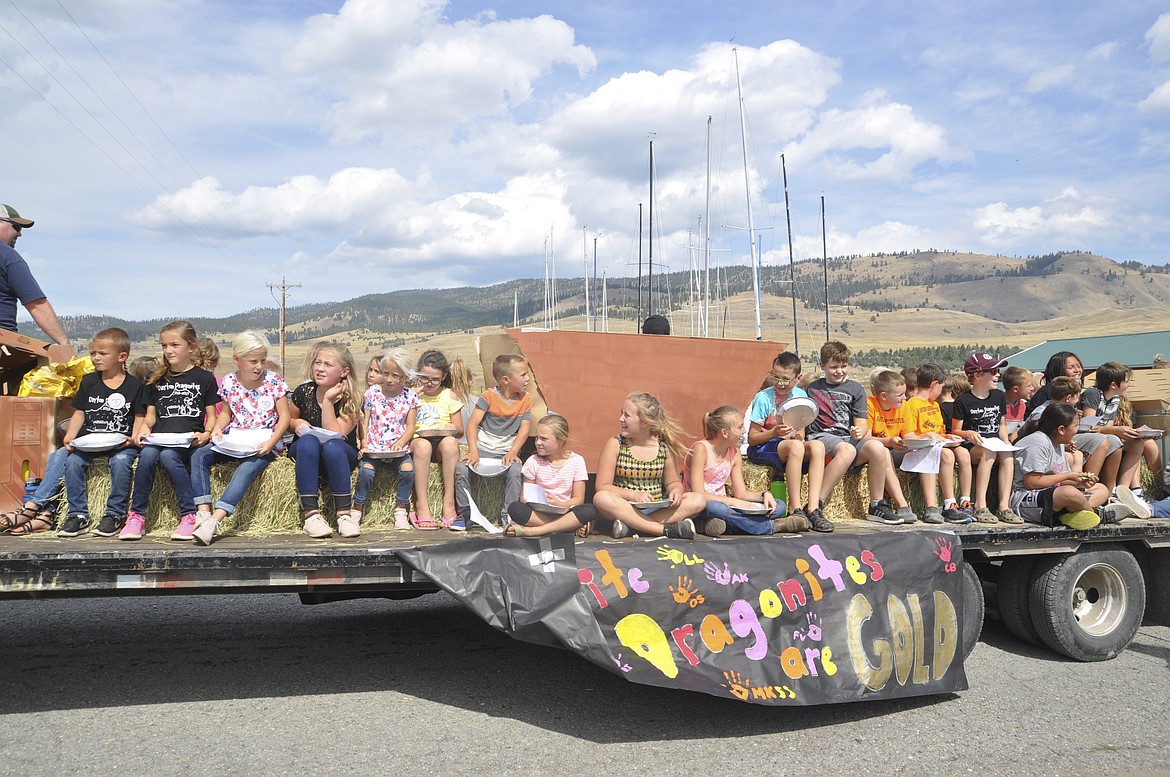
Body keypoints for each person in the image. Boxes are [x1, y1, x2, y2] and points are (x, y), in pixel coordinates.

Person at [3, 328, 146, 536]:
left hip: (120, 442)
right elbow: (80, 413)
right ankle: (77, 515)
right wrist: (70, 435)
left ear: (122, 357)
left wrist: (133, 438)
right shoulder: (89, 381)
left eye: (102, 353)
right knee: (70, 460)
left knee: (122, 461)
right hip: (90, 440)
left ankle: (114, 514)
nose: (95, 357)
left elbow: (140, 415)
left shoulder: (135, 386)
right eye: (93, 353)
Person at [190, 331, 290, 545]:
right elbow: (226, 413)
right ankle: (203, 511)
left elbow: (284, 418)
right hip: (235, 438)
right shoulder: (229, 382)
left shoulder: (274, 381)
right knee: (199, 456)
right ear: (237, 359)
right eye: (253, 361)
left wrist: (272, 442)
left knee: (247, 467)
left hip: (264, 441)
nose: (259, 366)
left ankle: (216, 520)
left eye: (262, 361)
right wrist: (217, 429)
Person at [122, 321, 219, 541]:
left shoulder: (204, 378)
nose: (168, 350)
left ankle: (188, 515)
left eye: (175, 345)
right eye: (164, 345)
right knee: (147, 455)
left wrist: (206, 433)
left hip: (187, 441)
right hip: (159, 438)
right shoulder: (155, 378)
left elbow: (211, 416)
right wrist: (144, 429)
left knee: (168, 456)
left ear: (191, 347)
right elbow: (150, 416)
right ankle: (137, 516)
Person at [804, 341, 897, 529]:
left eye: (843, 366)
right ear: (822, 366)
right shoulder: (813, 389)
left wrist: (859, 431)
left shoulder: (855, 389)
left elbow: (862, 424)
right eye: (834, 367)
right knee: (846, 450)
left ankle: (876, 505)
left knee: (877, 447)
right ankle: (816, 504)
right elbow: (804, 420)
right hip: (821, 437)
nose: (839, 371)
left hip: (847, 438)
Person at [1010, 403, 1146, 530]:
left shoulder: (1058, 444)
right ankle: (1098, 515)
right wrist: (1069, 476)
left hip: (1053, 495)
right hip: (1026, 500)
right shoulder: (1038, 443)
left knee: (1101, 489)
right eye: (1076, 426)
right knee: (1070, 493)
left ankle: (1068, 515)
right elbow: (1031, 482)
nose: (1077, 430)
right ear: (1061, 430)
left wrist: (1080, 481)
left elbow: (1058, 480)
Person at [592, 392, 705, 539]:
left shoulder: (663, 446)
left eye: (627, 415)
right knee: (601, 498)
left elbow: (673, 482)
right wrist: (634, 495)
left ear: (645, 422)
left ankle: (632, 528)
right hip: (625, 508)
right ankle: (665, 530)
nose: (621, 419)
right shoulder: (616, 444)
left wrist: (676, 491)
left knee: (697, 500)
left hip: (656, 510)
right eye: (622, 414)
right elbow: (602, 486)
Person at [686, 405, 804, 537]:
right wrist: (735, 502)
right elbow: (699, 494)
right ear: (725, 433)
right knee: (715, 507)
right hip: (702, 506)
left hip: (726, 504)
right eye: (740, 427)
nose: (744, 431)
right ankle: (770, 526)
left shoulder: (734, 452)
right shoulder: (701, 449)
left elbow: (741, 493)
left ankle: (722, 525)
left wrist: (764, 494)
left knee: (779, 505)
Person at [288, 341, 361, 539]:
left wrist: (328, 402)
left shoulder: (352, 398)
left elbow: (336, 434)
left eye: (328, 365)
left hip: (339, 456)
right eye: (317, 363)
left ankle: (344, 516)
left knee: (332, 446)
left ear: (344, 371)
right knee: (308, 441)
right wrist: (296, 424)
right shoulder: (304, 392)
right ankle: (311, 516)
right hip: (306, 454)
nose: (319, 368)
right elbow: (288, 420)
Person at [744, 351, 825, 521]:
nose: (780, 383)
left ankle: (813, 508)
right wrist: (774, 432)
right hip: (764, 446)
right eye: (776, 378)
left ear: (798, 378)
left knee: (817, 446)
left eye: (785, 380)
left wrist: (800, 437)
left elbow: (801, 428)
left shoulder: (801, 396)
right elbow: (752, 438)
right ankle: (795, 508)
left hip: (790, 446)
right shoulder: (763, 398)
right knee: (795, 447)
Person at [455, 354, 533, 531]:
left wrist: (513, 452)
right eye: (523, 375)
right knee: (460, 468)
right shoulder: (488, 396)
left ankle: (509, 516)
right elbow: (473, 424)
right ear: (506, 380)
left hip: (505, 452)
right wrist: (473, 450)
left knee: (516, 471)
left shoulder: (525, 399)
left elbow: (524, 429)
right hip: (483, 449)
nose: (527, 378)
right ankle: (465, 513)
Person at [953, 352, 1023, 524]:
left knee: (1007, 456)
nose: (998, 374)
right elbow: (955, 430)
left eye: (997, 370)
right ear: (977, 375)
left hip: (995, 442)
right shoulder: (964, 400)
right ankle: (980, 506)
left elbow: (1002, 424)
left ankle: (1004, 507)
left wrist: (1005, 440)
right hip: (975, 447)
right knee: (988, 452)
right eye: (993, 371)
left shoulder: (999, 396)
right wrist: (968, 433)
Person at [354, 349, 419, 531]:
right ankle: (357, 508)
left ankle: (401, 509)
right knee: (366, 472)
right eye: (385, 374)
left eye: (395, 375)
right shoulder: (372, 393)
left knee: (407, 470)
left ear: (405, 376)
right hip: (374, 447)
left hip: (397, 449)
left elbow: (411, 426)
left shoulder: (410, 397)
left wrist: (400, 442)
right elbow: (364, 421)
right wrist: (364, 443)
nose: (389, 379)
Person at [505, 414, 597, 537]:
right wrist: (541, 501)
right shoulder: (533, 461)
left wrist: (559, 504)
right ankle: (568, 528)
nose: (538, 442)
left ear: (561, 439)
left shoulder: (577, 461)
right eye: (537, 437)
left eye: (544, 439)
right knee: (515, 508)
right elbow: (524, 497)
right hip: (539, 513)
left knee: (589, 510)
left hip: (565, 511)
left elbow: (578, 499)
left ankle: (534, 531)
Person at [903, 363, 972, 523]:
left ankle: (965, 500)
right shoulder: (911, 405)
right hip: (922, 449)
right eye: (940, 387)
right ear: (934, 384)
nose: (941, 392)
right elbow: (910, 435)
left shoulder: (934, 405)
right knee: (947, 455)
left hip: (937, 445)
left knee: (963, 452)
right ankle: (949, 504)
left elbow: (939, 432)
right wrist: (929, 435)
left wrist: (949, 437)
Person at [409, 349, 464, 528]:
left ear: (444, 376)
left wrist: (452, 429)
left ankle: (449, 503)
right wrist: (410, 401)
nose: (429, 383)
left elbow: (460, 430)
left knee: (450, 442)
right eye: (424, 378)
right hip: (418, 443)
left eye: (434, 379)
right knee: (423, 445)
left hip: (441, 443)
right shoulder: (411, 395)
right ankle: (422, 505)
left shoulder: (449, 395)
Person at [0, 203, 69, 345]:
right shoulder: (7, 256)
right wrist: (65, 345)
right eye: (16, 227)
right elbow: (37, 305)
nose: (19, 233)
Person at [1079, 361, 1146, 500]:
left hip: (1102, 435)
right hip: (1084, 436)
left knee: (1136, 443)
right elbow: (1087, 426)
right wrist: (1116, 430)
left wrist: (1129, 432)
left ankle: (1124, 490)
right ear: (1114, 385)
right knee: (1113, 440)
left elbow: (1108, 426)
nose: (1129, 385)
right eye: (1127, 381)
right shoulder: (1093, 394)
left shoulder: (1115, 398)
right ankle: (1103, 488)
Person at [865, 369, 922, 524]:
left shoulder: (904, 406)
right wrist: (889, 442)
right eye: (900, 395)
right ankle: (902, 505)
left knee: (930, 451)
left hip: (896, 447)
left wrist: (924, 441)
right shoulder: (870, 404)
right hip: (877, 450)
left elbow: (909, 435)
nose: (905, 398)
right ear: (883, 396)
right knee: (883, 452)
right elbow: (866, 437)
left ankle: (933, 506)